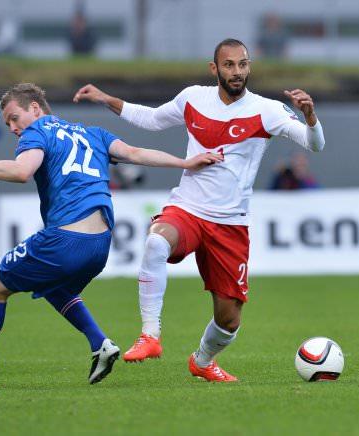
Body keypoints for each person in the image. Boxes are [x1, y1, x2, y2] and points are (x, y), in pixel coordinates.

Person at [0, 83, 222, 387]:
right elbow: (135, 153)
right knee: (54, 286)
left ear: (35, 108)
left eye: (14, 118)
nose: (13, 128)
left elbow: (21, 171)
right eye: (8, 125)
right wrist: (184, 162)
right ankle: (100, 343)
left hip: (66, 239)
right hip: (100, 246)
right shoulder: (93, 134)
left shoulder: (36, 131)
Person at [73, 38, 325, 382]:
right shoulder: (193, 98)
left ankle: (203, 361)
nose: (237, 72)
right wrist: (106, 99)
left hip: (230, 223)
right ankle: (150, 335)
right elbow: (151, 119)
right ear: (214, 68)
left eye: (242, 64)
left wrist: (310, 117)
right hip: (187, 208)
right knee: (156, 241)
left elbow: (314, 144)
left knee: (229, 319)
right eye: (229, 65)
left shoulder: (266, 110)